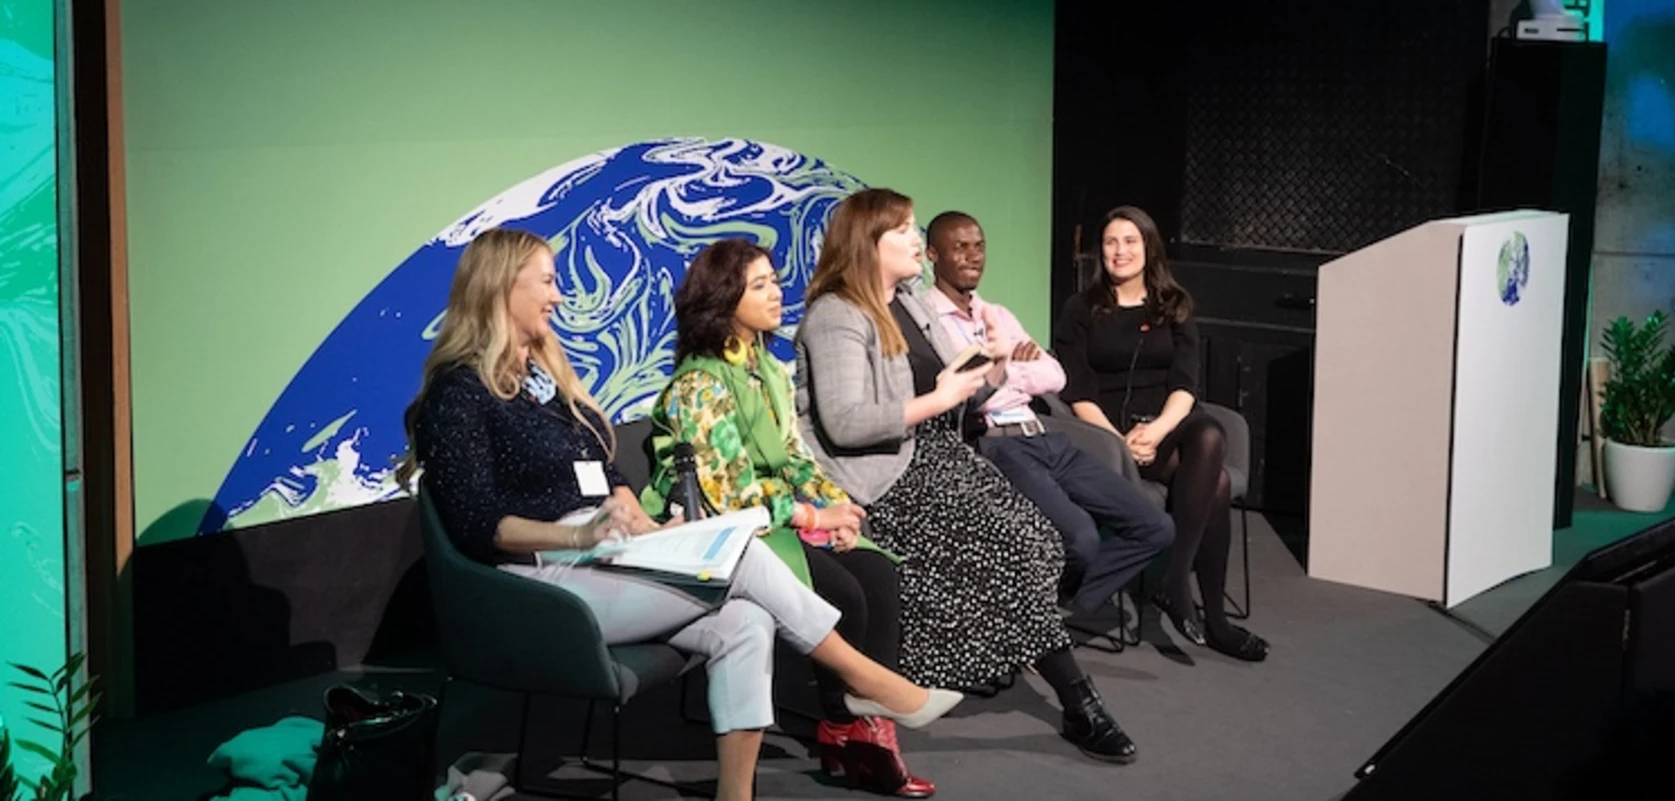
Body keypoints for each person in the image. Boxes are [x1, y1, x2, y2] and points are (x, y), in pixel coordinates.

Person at [399, 228, 960, 801]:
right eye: (547, 281)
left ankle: (736, 796)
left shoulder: (543, 385)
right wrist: (581, 533)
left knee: (746, 622)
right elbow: (478, 526)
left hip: (603, 555)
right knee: (742, 550)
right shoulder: (459, 393)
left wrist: (629, 512)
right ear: (499, 287)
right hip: (536, 580)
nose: (561, 296)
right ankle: (863, 679)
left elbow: (600, 472)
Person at [794, 188, 1138, 764]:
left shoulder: (908, 301)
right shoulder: (837, 314)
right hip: (879, 475)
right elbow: (848, 424)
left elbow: (955, 389)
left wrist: (993, 362)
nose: (915, 241)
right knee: (1012, 549)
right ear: (868, 243)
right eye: (903, 231)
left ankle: (990, 654)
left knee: (1040, 542)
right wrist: (940, 398)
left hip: (937, 455)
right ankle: (1080, 701)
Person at [643, 238, 935, 798]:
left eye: (775, 281)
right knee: (844, 595)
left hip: (781, 513)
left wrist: (838, 507)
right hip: (732, 531)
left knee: (880, 575)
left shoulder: (767, 369)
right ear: (724, 300)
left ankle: (852, 729)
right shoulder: (700, 385)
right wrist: (812, 515)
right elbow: (728, 498)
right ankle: (852, 728)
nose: (778, 292)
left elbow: (796, 457)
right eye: (760, 285)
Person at [923, 211, 1172, 618]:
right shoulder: (927, 321)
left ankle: (1060, 610)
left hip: (1044, 435)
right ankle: (1044, 620)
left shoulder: (997, 315)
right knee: (1081, 539)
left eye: (979, 245)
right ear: (933, 254)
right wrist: (1009, 371)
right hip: (997, 443)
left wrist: (1002, 370)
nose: (973, 256)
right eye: (959, 247)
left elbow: (1055, 375)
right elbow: (973, 396)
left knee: (1155, 526)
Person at [1052, 206, 1269, 661]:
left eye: (1130, 241)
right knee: (1220, 482)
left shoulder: (1174, 305)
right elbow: (1078, 388)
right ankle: (1214, 619)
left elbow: (1185, 384)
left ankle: (1177, 582)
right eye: (1111, 242)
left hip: (1167, 423)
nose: (1120, 251)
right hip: (1106, 430)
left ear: (1148, 247)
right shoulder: (1080, 310)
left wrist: (1156, 431)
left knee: (1208, 435)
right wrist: (1120, 441)